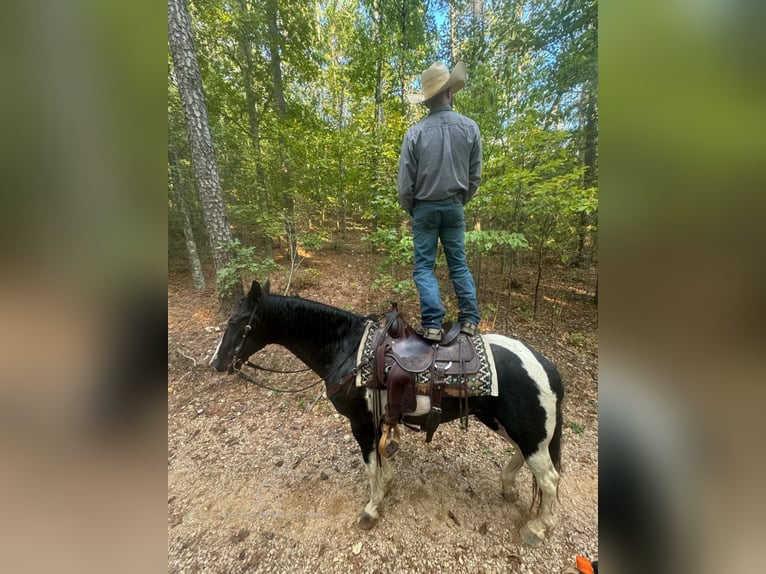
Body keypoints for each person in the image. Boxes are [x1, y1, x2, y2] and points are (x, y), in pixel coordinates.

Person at [398, 61, 482, 341]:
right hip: (454, 206)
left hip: (424, 207)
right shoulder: (470, 128)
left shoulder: (415, 133)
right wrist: (459, 201)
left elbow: (404, 185)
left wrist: (414, 209)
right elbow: (474, 177)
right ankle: (469, 319)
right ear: (449, 93)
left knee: (424, 267)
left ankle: (433, 324)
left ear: (427, 100)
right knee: (458, 263)